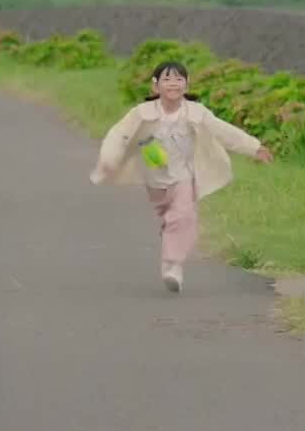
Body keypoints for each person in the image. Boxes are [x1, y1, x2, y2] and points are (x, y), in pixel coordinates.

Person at [91, 61, 272, 293]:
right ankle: (171, 232)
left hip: (184, 174)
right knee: (169, 216)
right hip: (154, 177)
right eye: (167, 79)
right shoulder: (142, 113)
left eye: (178, 79)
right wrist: (109, 159)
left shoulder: (196, 113)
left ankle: (173, 266)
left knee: (183, 215)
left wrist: (254, 147)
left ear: (186, 85)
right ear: (155, 86)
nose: (173, 84)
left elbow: (223, 131)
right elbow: (118, 135)